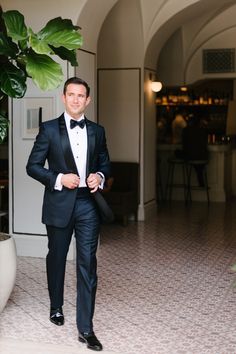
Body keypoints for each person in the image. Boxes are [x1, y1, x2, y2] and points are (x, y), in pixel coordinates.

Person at [26, 77, 110, 352]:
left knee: (88, 263)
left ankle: (86, 328)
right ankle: (56, 306)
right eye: (71, 94)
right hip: (59, 203)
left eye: (81, 95)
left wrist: (99, 176)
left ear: (88, 100)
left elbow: (105, 164)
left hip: (88, 204)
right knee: (57, 258)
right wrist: (60, 178)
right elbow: (33, 166)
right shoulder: (49, 129)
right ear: (64, 98)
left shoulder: (98, 131)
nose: (76, 99)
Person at [182, 113, 208, 186]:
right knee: (198, 156)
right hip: (202, 157)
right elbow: (204, 143)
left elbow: (184, 144)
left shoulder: (185, 130)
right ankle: (200, 176)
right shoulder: (203, 130)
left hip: (190, 156)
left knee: (182, 153)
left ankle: (199, 175)